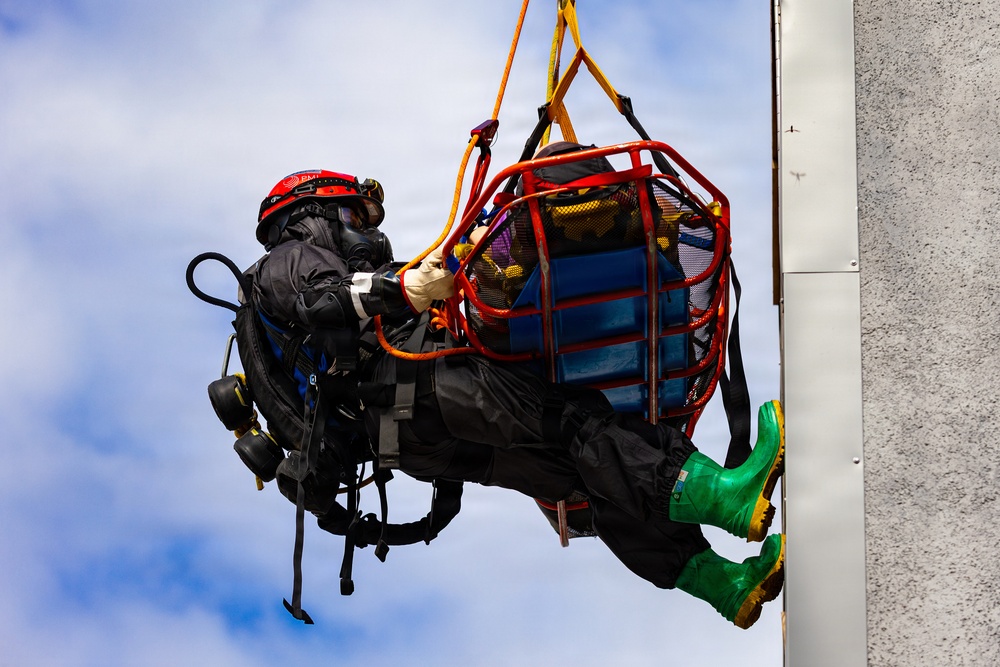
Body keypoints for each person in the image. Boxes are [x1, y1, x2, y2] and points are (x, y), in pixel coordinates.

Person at [244, 168, 785, 629]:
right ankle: (725, 496)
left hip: (414, 441)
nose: (363, 231)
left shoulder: (274, 310)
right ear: (311, 212)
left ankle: (724, 585)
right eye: (355, 218)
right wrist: (407, 290)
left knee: (584, 479)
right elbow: (322, 300)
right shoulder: (290, 257)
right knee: (577, 424)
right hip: (424, 387)